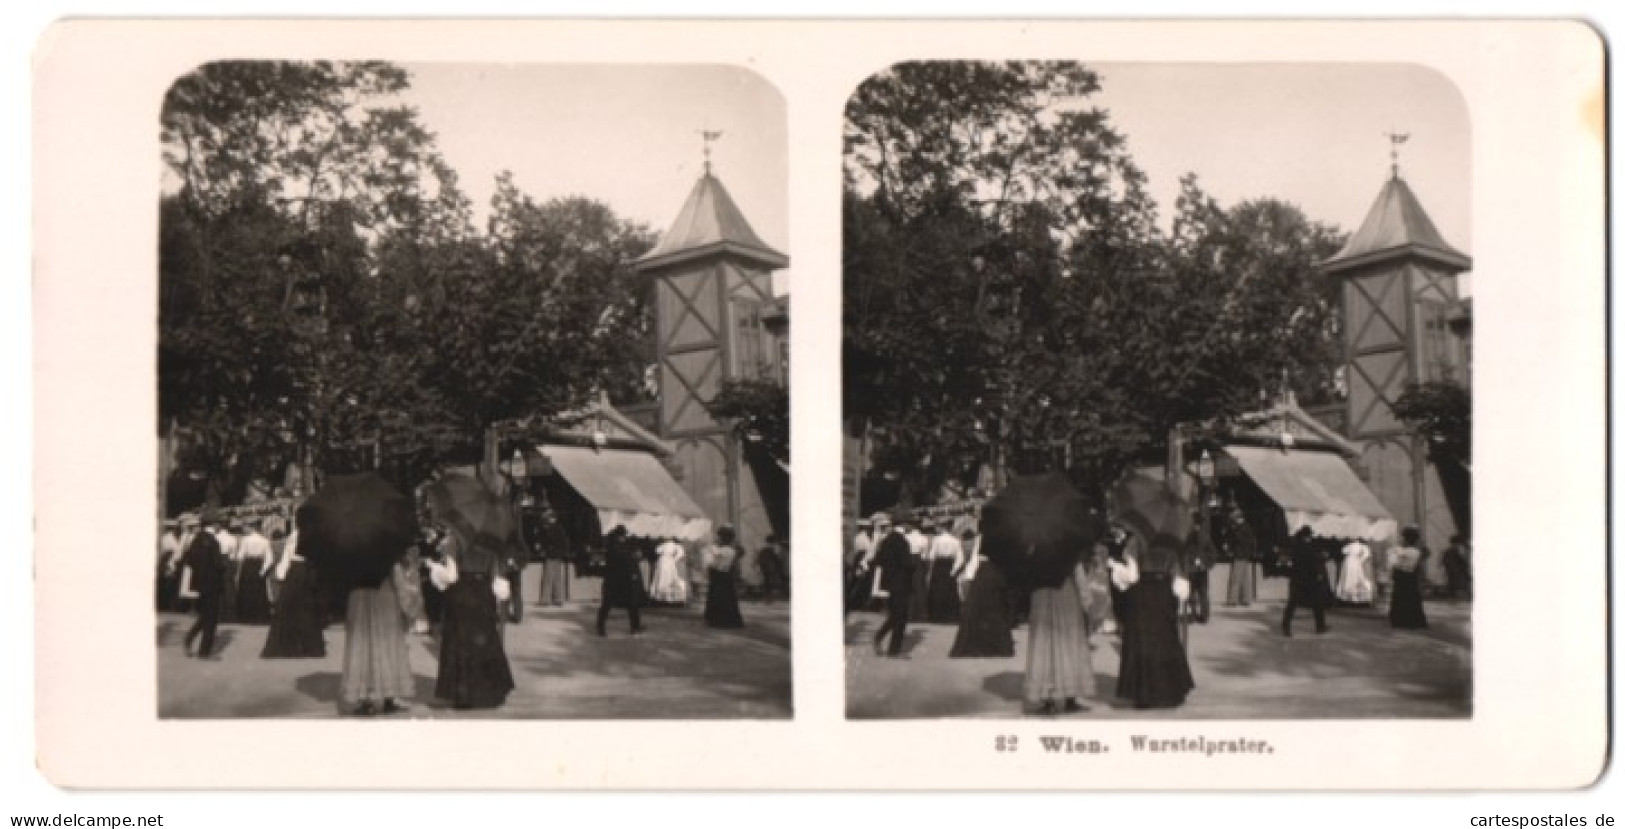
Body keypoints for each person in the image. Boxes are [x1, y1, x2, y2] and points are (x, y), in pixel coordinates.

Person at [429, 525, 516, 710]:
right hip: (483, 593)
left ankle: (463, 695)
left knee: (460, 643)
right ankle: (489, 692)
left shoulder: (454, 541)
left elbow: (451, 576)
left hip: (462, 594)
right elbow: (496, 575)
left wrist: (435, 569)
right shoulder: (489, 540)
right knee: (485, 641)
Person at [1112, 526, 1195, 710]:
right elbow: (1177, 574)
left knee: (1142, 641)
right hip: (1164, 593)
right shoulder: (1170, 545)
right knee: (1165, 639)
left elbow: (1132, 576)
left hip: (1141, 595)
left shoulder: (1135, 542)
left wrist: (1116, 569)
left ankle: (1144, 694)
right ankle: (1169, 691)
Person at [339, 560, 418, 716]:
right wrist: (409, 604)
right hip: (383, 595)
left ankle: (366, 698)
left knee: (363, 645)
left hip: (359, 596)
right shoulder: (386, 550)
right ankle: (388, 695)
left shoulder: (351, 550)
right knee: (386, 644)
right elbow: (398, 576)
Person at [1022, 560, 1096, 715]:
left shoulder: (1035, 549)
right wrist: (1086, 598)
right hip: (1064, 593)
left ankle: (1048, 697)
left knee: (1045, 643)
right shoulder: (1068, 546)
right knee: (1068, 641)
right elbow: (1078, 573)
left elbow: (1027, 575)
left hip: (1041, 594)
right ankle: (1070, 696)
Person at [260, 524, 326, 659]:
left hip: (297, 571)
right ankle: (309, 647)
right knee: (307, 609)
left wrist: (281, 574)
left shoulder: (294, 536)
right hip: (308, 569)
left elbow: (287, 557)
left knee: (288, 607)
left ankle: (290, 646)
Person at [948, 533, 1014, 658]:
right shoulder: (1002, 537)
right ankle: (996, 646)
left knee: (978, 609)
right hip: (995, 571)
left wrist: (969, 576)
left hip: (986, 572)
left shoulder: (981, 538)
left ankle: (981, 644)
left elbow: (975, 557)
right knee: (995, 609)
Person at [179, 511, 227, 658]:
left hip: (198, 584)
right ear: (214, 524)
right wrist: (225, 563)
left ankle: (189, 638)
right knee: (211, 619)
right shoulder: (213, 542)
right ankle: (204, 652)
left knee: (204, 616)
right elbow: (219, 564)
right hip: (212, 584)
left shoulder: (197, 540)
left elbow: (190, 560)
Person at [870, 511, 916, 657]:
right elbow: (907, 563)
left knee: (895, 615)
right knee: (901, 617)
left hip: (889, 584)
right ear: (903, 525)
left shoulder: (886, 541)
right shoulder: (903, 542)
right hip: (901, 583)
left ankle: (879, 637)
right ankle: (893, 650)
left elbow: (878, 561)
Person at [1281, 527, 1332, 636]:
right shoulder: (1310, 548)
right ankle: (1320, 626)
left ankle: (1285, 625)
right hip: (1310, 580)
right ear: (1307, 537)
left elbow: (1290, 562)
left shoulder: (1295, 547)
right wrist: (1320, 574)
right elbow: (1314, 563)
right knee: (1318, 603)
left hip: (1296, 579)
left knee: (1292, 604)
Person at [597, 527, 646, 636]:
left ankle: (601, 627)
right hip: (619, 581)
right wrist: (634, 557)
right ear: (620, 536)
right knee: (629, 604)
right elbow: (626, 559)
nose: (625, 538)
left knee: (609, 604)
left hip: (614, 580)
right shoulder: (618, 548)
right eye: (624, 536)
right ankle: (635, 627)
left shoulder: (612, 547)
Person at [702, 525, 745, 629]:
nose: (718, 539)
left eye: (719, 537)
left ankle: (719, 620)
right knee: (728, 598)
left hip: (719, 575)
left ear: (723, 538)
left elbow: (715, 564)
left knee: (719, 597)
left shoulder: (724, 550)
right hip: (725, 576)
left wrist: (710, 556)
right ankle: (725, 619)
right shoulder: (731, 550)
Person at [1388, 526, 1430, 630]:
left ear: (1406, 539)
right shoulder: (1416, 551)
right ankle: (1413, 620)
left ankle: (1401, 620)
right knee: (1412, 598)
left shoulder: (1402, 551)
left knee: (1400, 597)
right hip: (1411, 577)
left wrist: (1395, 555)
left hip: (1402, 575)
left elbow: (1395, 563)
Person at [233, 520, 274, 625]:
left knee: (246, 591)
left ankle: (246, 617)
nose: (244, 529)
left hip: (248, 566)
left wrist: (238, 570)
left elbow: (240, 556)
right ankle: (259, 616)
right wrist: (262, 570)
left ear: (251, 527)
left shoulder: (245, 540)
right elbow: (269, 559)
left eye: (246, 527)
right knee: (259, 592)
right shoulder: (265, 540)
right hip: (258, 565)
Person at [924, 522, 963, 623]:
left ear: (942, 527)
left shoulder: (937, 540)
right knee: (950, 591)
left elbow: (932, 556)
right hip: (950, 564)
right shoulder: (956, 540)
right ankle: (950, 616)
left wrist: (930, 568)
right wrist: (954, 570)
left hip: (939, 565)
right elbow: (960, 558)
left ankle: (936, 616)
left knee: (937, 590)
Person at [535, 502, 572, 607]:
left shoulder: (551, 528)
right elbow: (564, 542)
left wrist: (543, 548)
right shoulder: (560, 528)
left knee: (547, 578)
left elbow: (547, 540)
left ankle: (545, 600)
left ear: (550, 517)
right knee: (557, 578)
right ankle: (558, 599)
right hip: (558, 555)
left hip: (551, 554)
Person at [1102, 523, 1134, 635]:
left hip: (1126, 575)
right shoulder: (1109, 542)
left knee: (1126, 600)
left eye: (1116, 528)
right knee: (1116, 600)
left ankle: (1125, 626)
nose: (1113, 530)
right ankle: (1120, 625)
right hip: (1114, 575)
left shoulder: (1129, 540)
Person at [1223, 511, 1258, 607]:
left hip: (1239, 555)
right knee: (1244, 578)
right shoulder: (1247, 527)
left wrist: (1233, 531)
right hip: (1245, 555)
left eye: (1235, 519)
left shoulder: (1241, 529)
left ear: (1239, 518)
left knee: (1235, 579)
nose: (1234, 521)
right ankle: (1246, 599)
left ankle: (1232, 600)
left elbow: (1238, 539)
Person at [1182, 525, 1213, 623]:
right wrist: (1205, 563)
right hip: (1201, 570)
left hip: (1192, 570)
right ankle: (1204, 616)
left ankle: (1193, 615)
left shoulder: (1188, 537)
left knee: (1191, 594)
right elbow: (1213, 553)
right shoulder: (1205, 537)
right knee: (1203, 593)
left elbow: (1184, 553)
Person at [648, 537, 690, 605]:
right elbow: (657, 550)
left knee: (668, 578)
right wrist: (674, 559)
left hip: (666, 561)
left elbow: (680, 553)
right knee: (662, 578)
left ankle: (667, 597)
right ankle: (661, 597)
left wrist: (674, 559)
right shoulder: (665, 545)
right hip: (663, 562)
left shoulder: (675, 545)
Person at [846, 518, 875, 612]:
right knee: (858, 581)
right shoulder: (859, 537)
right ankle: (853, 603)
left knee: (867, 582)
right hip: (861, 559)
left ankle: (864, 603)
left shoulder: (872, 537)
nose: (869, 530)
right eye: (867, 528)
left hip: (868, 560)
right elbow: (857, 550)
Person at [1336, 537, 1375, 605]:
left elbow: (1343, 551)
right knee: (1350, 578)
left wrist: (1360, 560)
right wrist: (1360, 559)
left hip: (1351, 562)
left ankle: (1353, 597)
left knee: (1353, 578)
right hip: (1352, 562)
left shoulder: (1360, 546)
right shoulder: (1359, 546)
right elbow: (1366, 554)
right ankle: (1351, 597)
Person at [906, 518, 932, 622]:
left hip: (908, 560)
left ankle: (908, 613)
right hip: (918, 561)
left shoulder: (906, 537)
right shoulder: (923, 538)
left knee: (908, 586)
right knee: (919, 587)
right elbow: (925, 555)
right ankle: (920, 614)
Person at [157, 520, 183, 612]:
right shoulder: (167, 538)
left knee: (174, 585)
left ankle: (172, 605)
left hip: (176, 563)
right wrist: (168, 565)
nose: (177, 530)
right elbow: (166, 553)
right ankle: (165, 605)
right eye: (175, 528)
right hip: (169, 563)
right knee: (168, 584)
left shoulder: (179, 537)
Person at [757, 534, 787, 604]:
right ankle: (770, 598)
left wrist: (758, 565)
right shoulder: (776, 548)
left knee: (766, 582)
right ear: (774, 541)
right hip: (773, 568)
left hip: (765, 567)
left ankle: (768, 598)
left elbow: (760, 558)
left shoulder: (763, 548)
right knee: (772, 582)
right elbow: (778, 559)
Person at [1442, 534, 1472, 601]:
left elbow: (1444, 560)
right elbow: (1461, 560)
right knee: (1455, 583)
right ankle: (1454, 596)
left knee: (1452, 583)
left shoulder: (1448, 550)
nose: (1458, 545)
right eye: (1458, 543)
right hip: (1455, 570)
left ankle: (1452, 596)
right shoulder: (1454, 551)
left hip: (1452, 570)